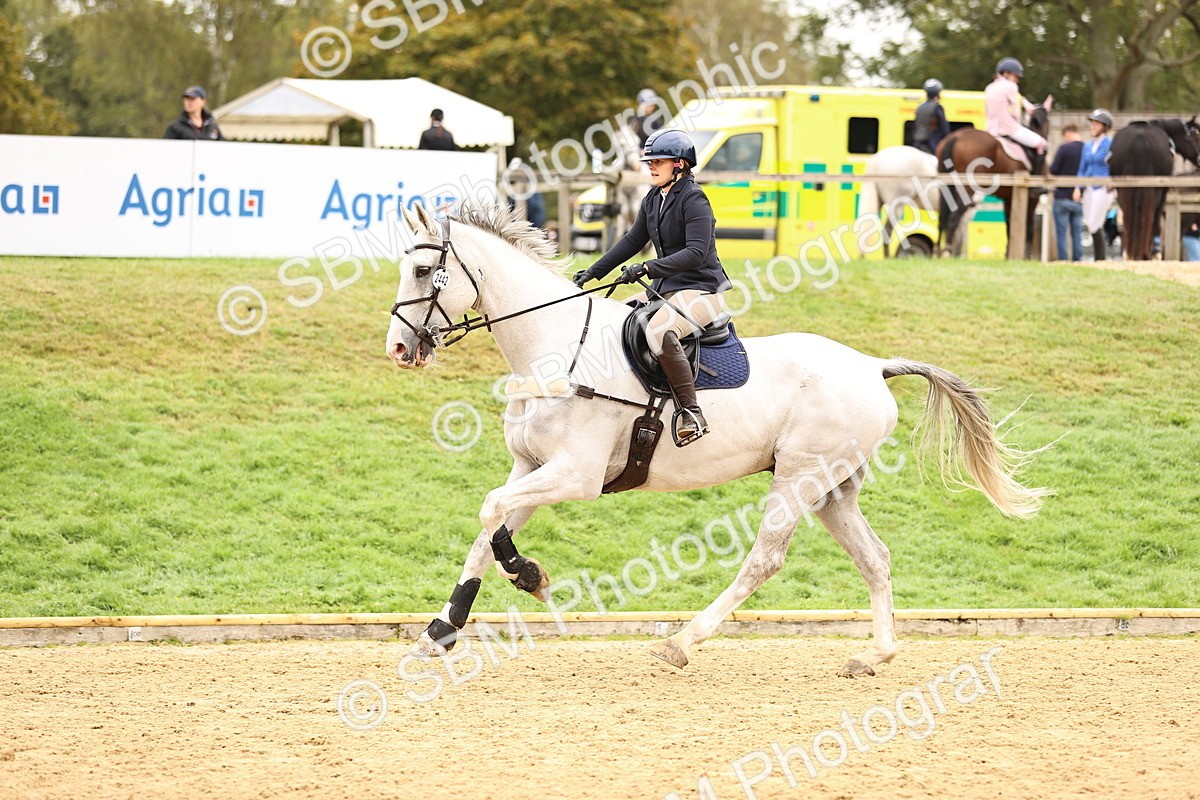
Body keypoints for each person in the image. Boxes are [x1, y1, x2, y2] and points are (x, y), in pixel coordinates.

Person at [572, 129, 731, 447]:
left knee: (658, 332)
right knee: (614, 319)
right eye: (650, 162)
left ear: (681, 164)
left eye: (659, 161)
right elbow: (632, 241)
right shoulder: (653, 198)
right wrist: (592, 273)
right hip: (665, 288)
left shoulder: (694, 199)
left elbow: (696, 252)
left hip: (702, 290)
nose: (652, 167)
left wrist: (647, 268)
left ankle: (691, 413)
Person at [984, 58, 1050, 173]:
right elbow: (1016, 112)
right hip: (1008, 128)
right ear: (1006, 73)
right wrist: (1019, 121)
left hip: (990, 129)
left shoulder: (989, 87)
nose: (1017, 80)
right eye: (1016, 77)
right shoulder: (1011, 86)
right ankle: (1035, 181)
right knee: (1042, 144)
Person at [1074, 109, 1115, 261]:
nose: (1093, 126)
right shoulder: (1087, 146)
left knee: (1094, 222)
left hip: (1103, 187)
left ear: (1104, 126)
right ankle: (1100, 258)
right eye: (1092, 123)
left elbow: (1113, 166)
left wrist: (1111, 181)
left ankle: (1100, 258)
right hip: (1088, 188)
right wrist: (1078, 187)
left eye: (1096, 124)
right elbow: (1082, 168)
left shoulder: (1110, 144)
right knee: (1091, 222)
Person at [1049, 124, 1085, 261]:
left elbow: (1054, 169)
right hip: (1078, 198)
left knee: (1061, 233)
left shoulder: (1064, 148)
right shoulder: (1086, 149)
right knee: (1077, 233)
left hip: (1062, 197)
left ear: (1068, 134)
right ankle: (1078, 260)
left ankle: (1063, 259)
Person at [912, 78, 950, 156]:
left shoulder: (919, 107)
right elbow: (945, 130)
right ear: (938, 94)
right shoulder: (937, 108)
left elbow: (915, 127)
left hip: (917, 145)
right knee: (948, 163)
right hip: (933, 145)